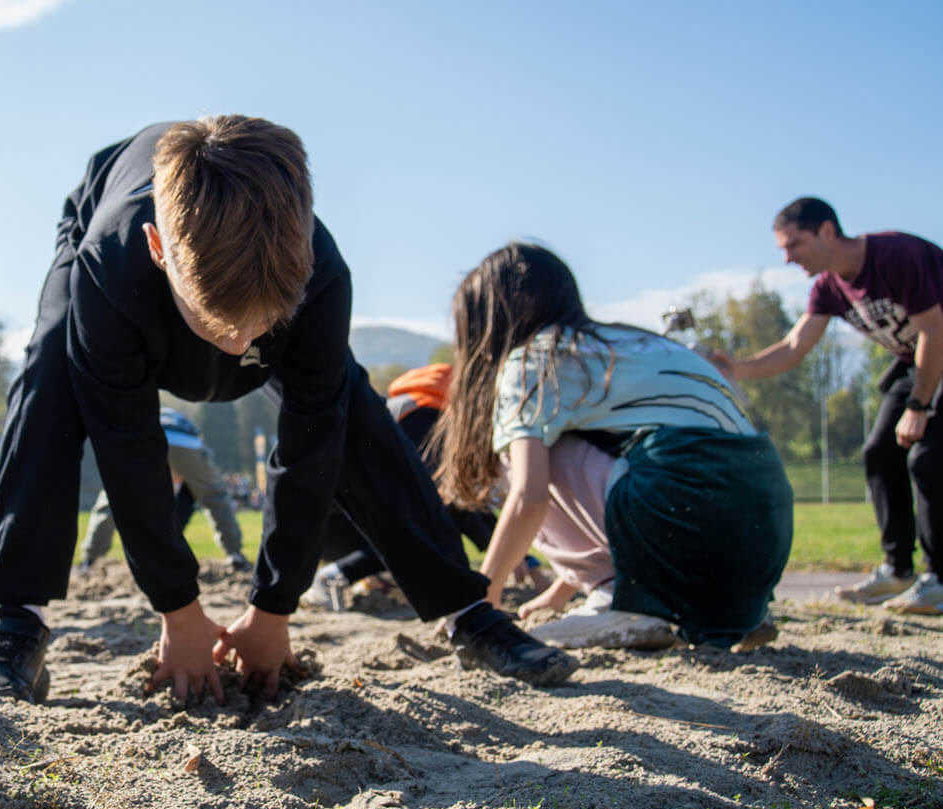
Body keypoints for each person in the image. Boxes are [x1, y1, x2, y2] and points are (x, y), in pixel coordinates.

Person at [0, 116, 576, 705]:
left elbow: (313, 442)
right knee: (49, 372)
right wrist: (178, 608)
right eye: (217, 325)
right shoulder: (110, 263)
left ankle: (466, 609)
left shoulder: (322, 272)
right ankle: (16, 618)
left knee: (352, 410)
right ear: (158, 248)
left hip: (243, 282)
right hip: (109, 238)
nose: (238, 347)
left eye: (261, 327)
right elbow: (129, 447)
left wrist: (273, 608)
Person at [433, 242, 792, 650]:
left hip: (686, 501)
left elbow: (529, 499)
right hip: (762, 540)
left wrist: (478, 606)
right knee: (579, 443)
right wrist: (560, 592)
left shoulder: (536, 356)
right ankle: (727, 607)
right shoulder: (636, 342)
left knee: (519, 455)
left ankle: (621, 597)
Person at [715, 198, 943, 614]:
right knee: (879, 454)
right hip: (919, 362)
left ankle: (939, 580)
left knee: (927, 458)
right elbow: (793, 347)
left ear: (827, 231)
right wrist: (735, 368)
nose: (788, 258)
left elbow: (933, 330)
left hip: (935, 352)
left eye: (794, 244)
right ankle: (898, 571)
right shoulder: (829, 287)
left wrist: (918, 405)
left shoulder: (896, 256)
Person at [301, 362, 549, 610]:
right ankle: (335, 576)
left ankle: (377, 579)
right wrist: (508, 557)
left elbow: (464, 501)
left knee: (429, 523)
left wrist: (520, 557)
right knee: (430, 526)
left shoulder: (413, 407)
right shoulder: (425, 420)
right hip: (337, 526)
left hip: (332, 524)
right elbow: (448, 499)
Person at [79, 407, 250, 573]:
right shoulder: (184, 422)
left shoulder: (146, 412)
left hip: (146, 441)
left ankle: (90, 558)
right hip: (187, 444)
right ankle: (235, 554)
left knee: (114, 494)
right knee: (215, 497)